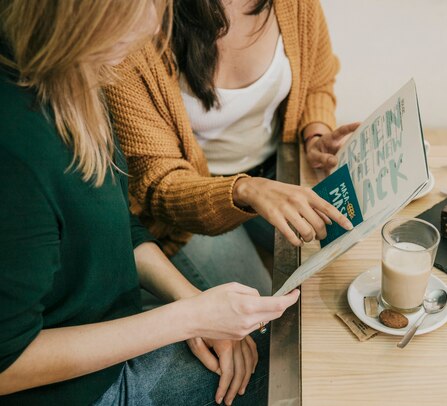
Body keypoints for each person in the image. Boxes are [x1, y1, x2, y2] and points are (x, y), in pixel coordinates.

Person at [0, 1, 299, 405]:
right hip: (78, 389)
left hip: (113, 322)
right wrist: (185, 318)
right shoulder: (17, 151)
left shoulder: (76, 80)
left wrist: (191, 300)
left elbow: (120, 226)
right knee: (283, 362)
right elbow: (8, 364)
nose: (150, 26)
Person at [105, 0, 356, 296]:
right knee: (262, 314)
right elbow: (159, 184)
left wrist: (316, 134)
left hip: (279, 172)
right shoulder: (140, 24)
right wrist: (245, 190)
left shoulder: (295, 6)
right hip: (189, 211)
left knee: (343, 274)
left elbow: (317, 80)